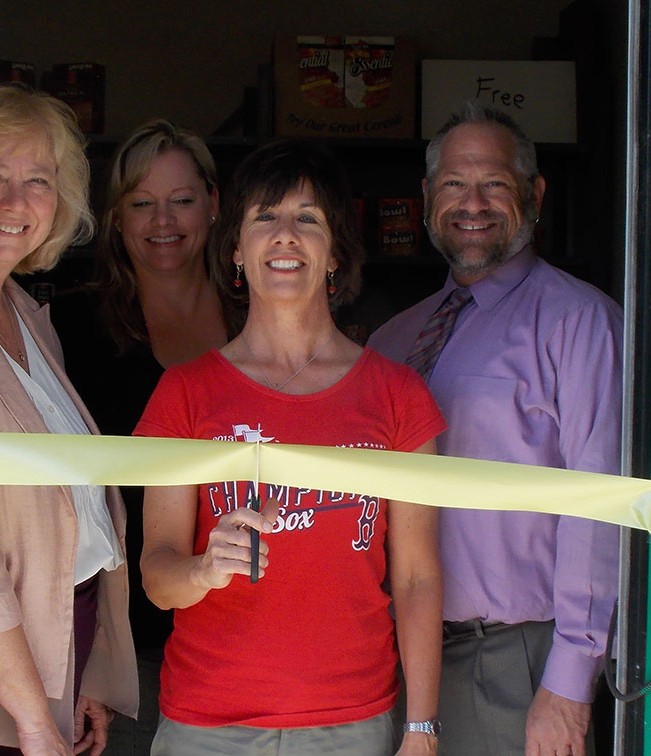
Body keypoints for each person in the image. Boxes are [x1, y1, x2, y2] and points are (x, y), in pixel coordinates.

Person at [134, 138, 446, 756]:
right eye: (264, 218)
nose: (284, 235)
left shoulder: (397, 396)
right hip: (207, 721)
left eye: (308, 218)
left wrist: (422, 726)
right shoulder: (185, 394)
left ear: (336, 254)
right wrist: (201, 569)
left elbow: (416, 576)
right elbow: (156, 573)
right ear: (235, 251)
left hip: (351, 720)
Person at [369, 101, 622, 756]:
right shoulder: (393, 341)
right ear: (427, 198)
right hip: (388, 661)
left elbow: (600, 508)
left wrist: (568, 682)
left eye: (494, 184)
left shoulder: (580, 322)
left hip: (511, 662)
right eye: (454, 184)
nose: (472, 203)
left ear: (533, 195)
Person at [0, 84, 138, 756]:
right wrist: (32, 716)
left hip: (62, 639)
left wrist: (87, 668)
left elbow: (76, 508)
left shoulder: (30, 316)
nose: (15, 202)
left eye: (38, 180)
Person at [50, 119, 234, 742]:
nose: (164, 221)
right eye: (142, 203)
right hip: (123, 639)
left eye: (182, 200)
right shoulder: (70, 326)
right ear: (116, 218)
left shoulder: (265, 317)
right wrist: (84, 656)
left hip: (250, 624)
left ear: (214, 205)